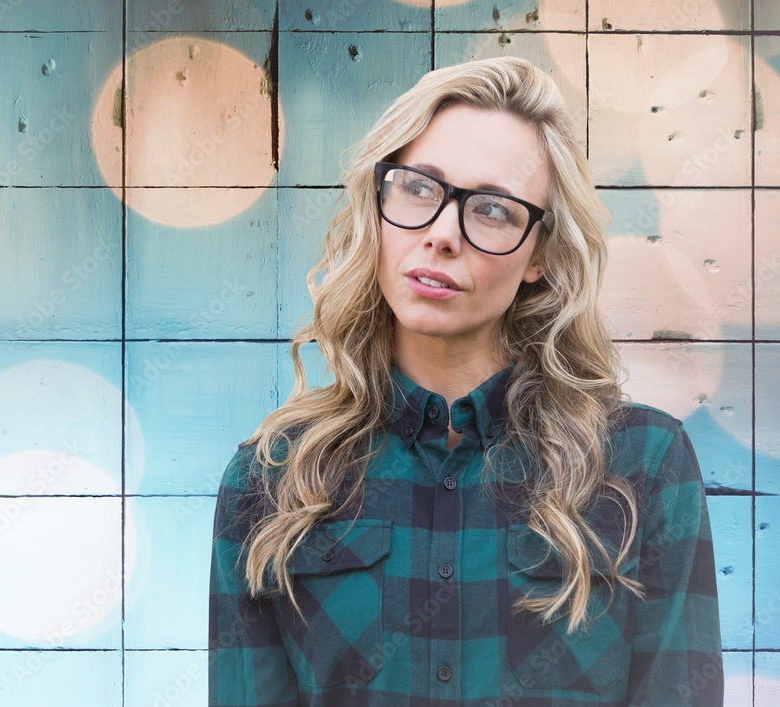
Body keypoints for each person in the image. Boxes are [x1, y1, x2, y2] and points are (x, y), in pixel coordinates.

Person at [208, 57, 723, 706]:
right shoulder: (272, 482)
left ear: (539, 254)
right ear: (380, 201)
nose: (443, 235)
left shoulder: (645, 468)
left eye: (493, 210)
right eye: (419, 188)